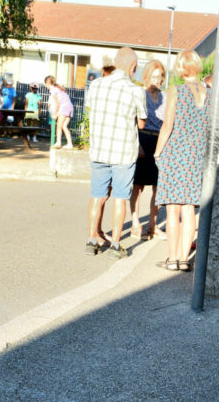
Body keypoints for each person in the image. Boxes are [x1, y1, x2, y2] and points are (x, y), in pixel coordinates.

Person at [83, 46, 146, 259]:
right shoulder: (136, 90)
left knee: (98, 196)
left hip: (99, 150)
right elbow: (142, 122)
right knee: (120, 197)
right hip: (123, 153)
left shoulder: (96, 84)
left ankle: (91, 240)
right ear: (133, 66)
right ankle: (116, 245)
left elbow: (90, 109)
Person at [155, 50, 211, 272]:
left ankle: (172, 258)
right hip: (196, 156)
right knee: (189, 210)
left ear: (180, 68)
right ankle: (184, 258)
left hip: (175, 154)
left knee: (172, 210)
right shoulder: (209, 94)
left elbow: (167, 125)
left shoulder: (176, 91)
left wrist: (158, 152)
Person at [129, 60, 166, 241]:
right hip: (142, 138)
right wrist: (138, 145)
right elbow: (133, 121)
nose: (157, 80)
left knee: (158, 188)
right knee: (138, 186)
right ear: (146, 77)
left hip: (159, 141)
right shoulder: (140, 94)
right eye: (154, 76)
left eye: (160, 77)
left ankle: (153, 224)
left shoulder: (166, 97)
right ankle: (135, 223)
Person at [45, 75, 74, 149]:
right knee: (64, 126)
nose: (45, 86)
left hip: (64, 107)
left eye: (45, 84)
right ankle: (70, 144)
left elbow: (57, 103)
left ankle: (58, 143)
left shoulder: (53, 90)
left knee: (59, 126)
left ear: (47, 84)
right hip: (70, 107)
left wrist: (55, 114)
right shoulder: (58, 88)